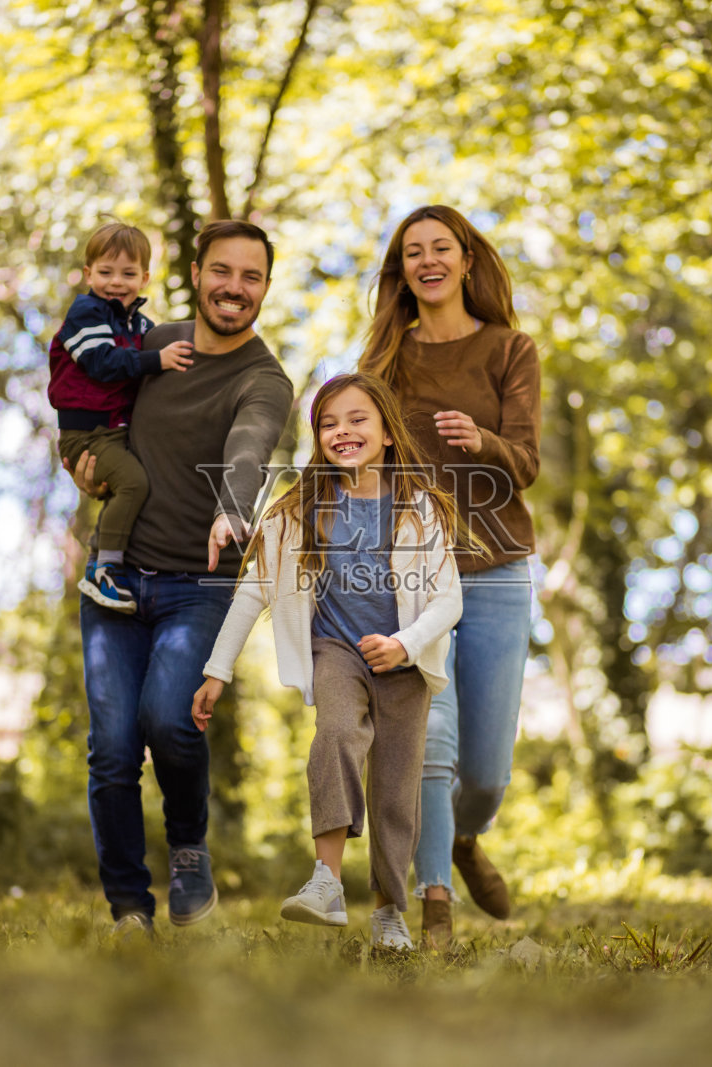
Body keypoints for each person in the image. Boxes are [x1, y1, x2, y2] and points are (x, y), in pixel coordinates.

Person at [190, 373, 482, 951]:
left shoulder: (418, 508)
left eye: (357, 419)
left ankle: (390, 911)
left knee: (397, 792)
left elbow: (449, 598)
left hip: (405, 665)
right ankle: (325, 880)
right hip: (336, 653)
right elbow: (254, 589)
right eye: (329, 422)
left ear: (388, 434)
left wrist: (405, 643)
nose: (342, 431)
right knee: (337, 733)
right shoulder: (300, 508)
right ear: (316, 437)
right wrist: (217, 671)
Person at [67, 220, 294, 936]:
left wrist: (234, 507)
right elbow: (86, 405)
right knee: (110, 751)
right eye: (221, 270)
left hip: (202, 585)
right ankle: (129, 907)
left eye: (250, 276)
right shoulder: (151, 348)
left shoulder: (265, 378)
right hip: (118, 578)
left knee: (169, 719)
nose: (234, 287)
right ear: (196, 273)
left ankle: (188, 844)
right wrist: (77, 462)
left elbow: (250, 444)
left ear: (263, 287)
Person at [359, 205, 541, 951]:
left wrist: (484, 439)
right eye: (412, 252)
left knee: (487, 769)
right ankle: (437, 906)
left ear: (468, 259)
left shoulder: (510, 349)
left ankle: (466, 840)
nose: (427, 261)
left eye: (441, 248)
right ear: (401, 271)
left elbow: (526, 462)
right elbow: (353, 455)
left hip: (498, 568)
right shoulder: (385, 363)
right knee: (430, 741)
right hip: (416, 574)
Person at [48, 220, 196, 612]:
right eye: (105, 272)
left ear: (145, 278)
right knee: (132, 482)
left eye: (128, 273)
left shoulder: (141, 325)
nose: (117, 282)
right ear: (88, 274)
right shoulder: (86, 312)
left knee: (152, 477)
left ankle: (144, 564)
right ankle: (103, 568)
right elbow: (100, 363)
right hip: (88, 434)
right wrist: (156, 360)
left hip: (117, 430)